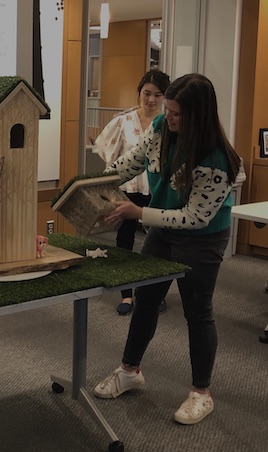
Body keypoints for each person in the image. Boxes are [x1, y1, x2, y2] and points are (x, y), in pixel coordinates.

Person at [93, 73, 241, 425]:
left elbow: (195, 217)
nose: (167, 117)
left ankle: (201, 393)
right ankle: (130, 370)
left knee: (197, 312)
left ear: (198, 116)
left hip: (203, 237)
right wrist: (94, 184)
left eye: (176, 114)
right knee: (146, 300)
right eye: (167, 110)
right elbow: (132, 161)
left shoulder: (217, 159)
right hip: (162, 230)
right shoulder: (161, 127)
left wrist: (138, 213)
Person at [94, 69, 171, 315]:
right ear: (139, 92)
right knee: (124, 239)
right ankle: (126, 294)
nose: (151, 99)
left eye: (158, 95)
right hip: (128, 188)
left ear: (165, 97)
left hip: (156, 189)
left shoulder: (169, 123)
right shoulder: (123, 121)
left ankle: (154, 293)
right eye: (147, 93)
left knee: (157, 241)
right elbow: (107, 151)